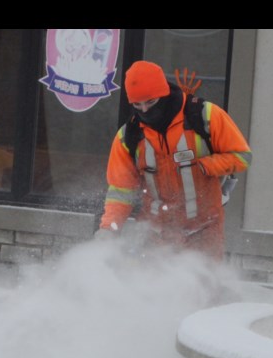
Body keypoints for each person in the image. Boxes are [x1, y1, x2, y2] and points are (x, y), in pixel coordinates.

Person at [96, 60, 252, 260]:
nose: (144, 110)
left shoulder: (204, 116)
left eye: (150, 102)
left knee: (203, 288)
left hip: (204, 229)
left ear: (164, 94)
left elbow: (242, 156)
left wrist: (207, 165)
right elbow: (121, 191)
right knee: (153, 288)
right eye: (137, 104)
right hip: (156, 234)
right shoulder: (129, 136)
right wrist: (109, 228)